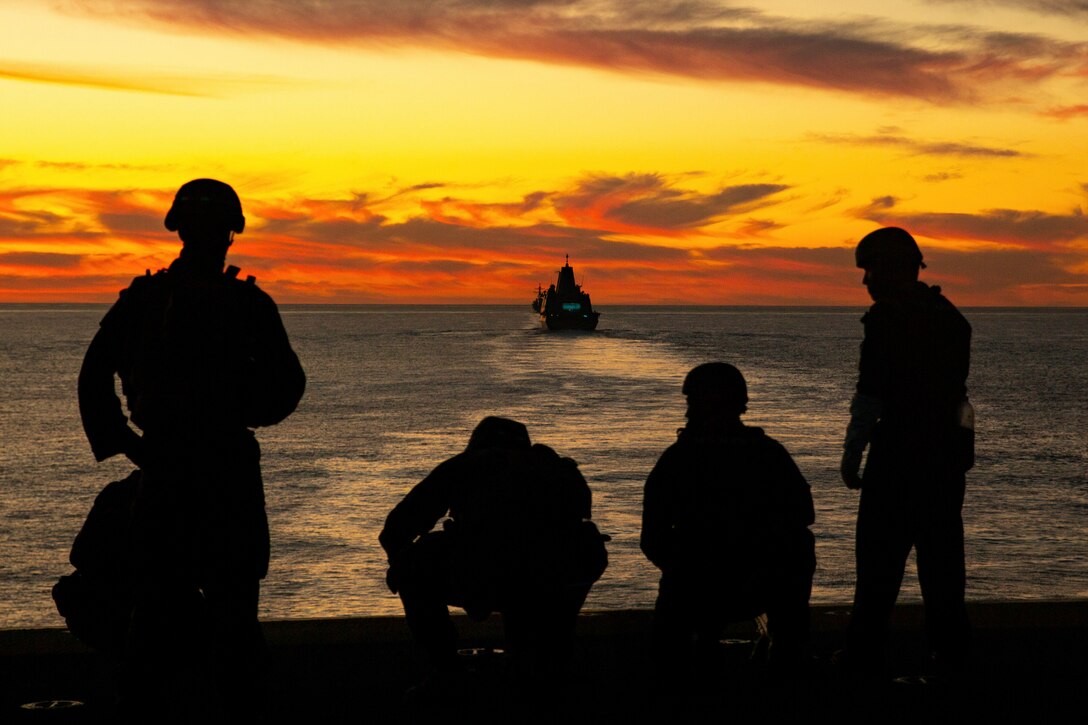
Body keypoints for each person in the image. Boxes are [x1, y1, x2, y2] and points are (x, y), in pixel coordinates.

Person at [78, 178, 306, 718]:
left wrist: (131, 446)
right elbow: (287, 386)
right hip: (214, 472)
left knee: (160, 616)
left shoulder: (149, 301)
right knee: (218, 616)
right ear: (232, 234)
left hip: (178, 469)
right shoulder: (239, 303)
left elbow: (93, 378)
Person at [379, 417, 608, 692]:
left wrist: (401, 565)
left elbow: (395, 530)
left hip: (493, 573)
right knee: (544, 584)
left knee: (413, 565)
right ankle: (546, 663)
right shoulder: (559, 468)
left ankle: (446, 670)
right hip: (559, 574)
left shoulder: (464, 466)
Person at [838, 226, 973, 674]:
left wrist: (853, 451)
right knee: (943, 565)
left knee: (878, 562)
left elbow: (870, 394)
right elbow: (957, 399)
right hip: (944, 462)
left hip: (898, 459)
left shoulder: (887, 319)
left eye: (870, 270)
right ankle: (950, 655)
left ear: (894, 268)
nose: (866, 282)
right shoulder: (951, 317)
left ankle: (863, 655)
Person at [641, 363, 816, 680]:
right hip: (759, 582)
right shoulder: (769, 454)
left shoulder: (677, 459)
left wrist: (689, 566)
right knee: (800, 544)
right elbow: (804, 514)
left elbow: (652, 538)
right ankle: (786, 658)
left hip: (699, 585)